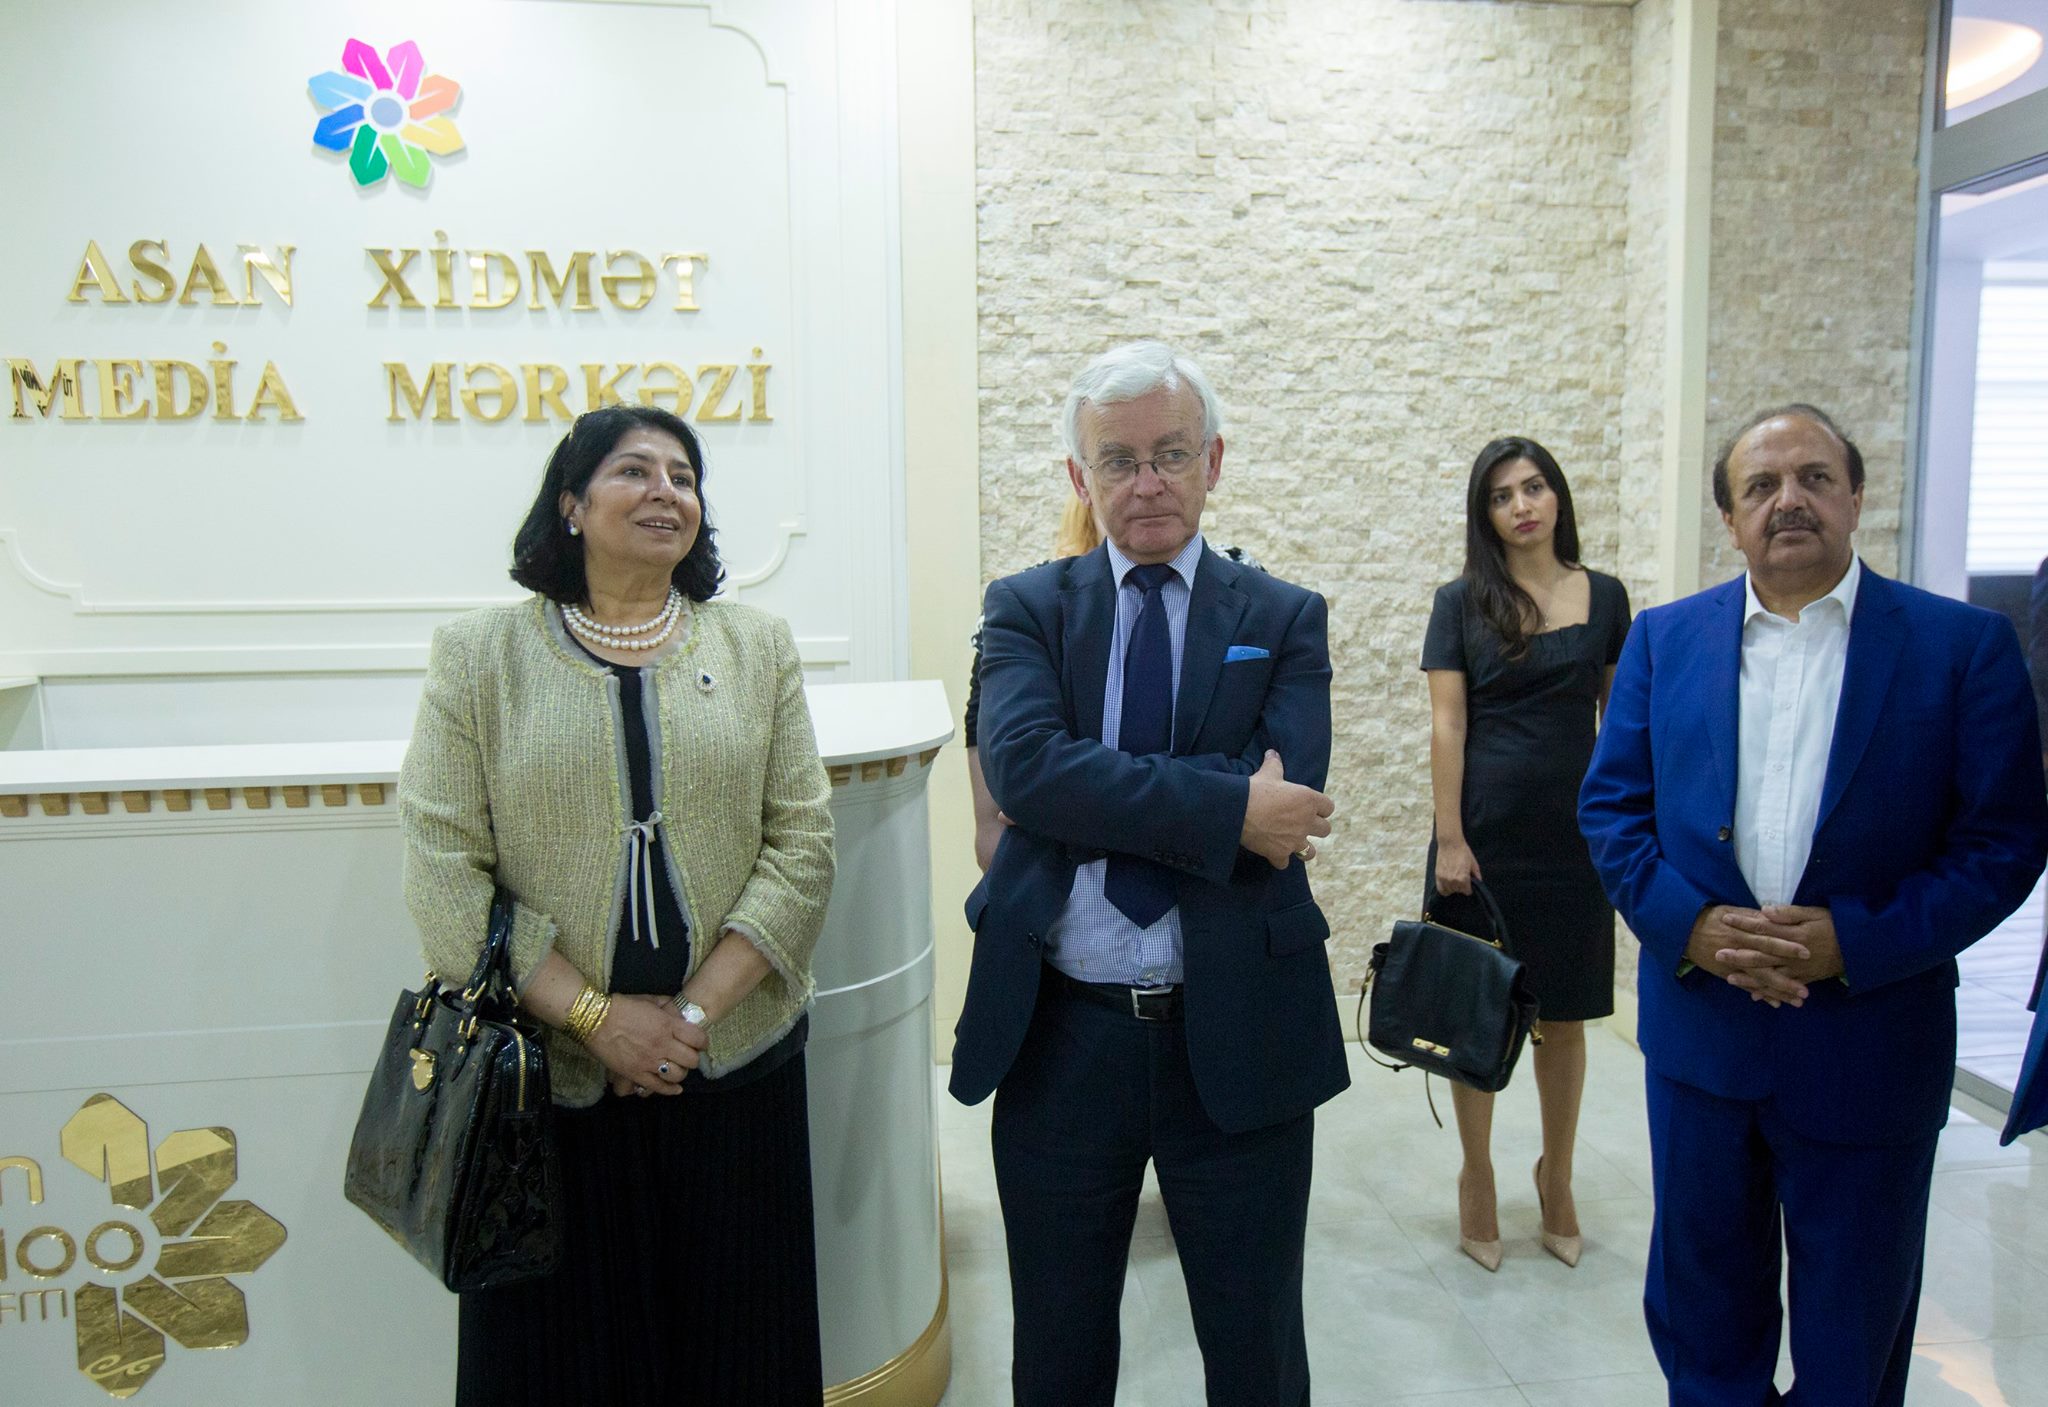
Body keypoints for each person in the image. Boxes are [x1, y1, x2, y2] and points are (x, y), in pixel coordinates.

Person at [1578, 404, 2048, 1406]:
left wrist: (1856, 941)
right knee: (1704, 1328)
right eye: (1760, 485)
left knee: (1853, 1342)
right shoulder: (1663, 641)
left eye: (1813, 477)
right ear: (1729, 518)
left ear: (1855, 497)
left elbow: (2003, 843)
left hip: (1869, 1047)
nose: (1787, 500)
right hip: (1703, 1047)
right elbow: (1611, 812)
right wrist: (1692, 927)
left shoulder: (1960, 647)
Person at [398, 403, 837, 1406]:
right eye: (633, 471)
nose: (664, 492)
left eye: (683, 476)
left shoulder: (758, 646)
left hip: (732, 1068)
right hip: (545, 1089)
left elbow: (803, 847)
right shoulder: (480, 657)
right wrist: (599, 1020)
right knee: (563, 1369)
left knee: (740, 1357)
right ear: (570, 503)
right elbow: (444, 872)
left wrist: (685, 1021)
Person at [950, 340, 1346, 1407]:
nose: (1147, 482)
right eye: (1117, 460)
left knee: (1257, 1353)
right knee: (1058, 1354)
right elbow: (1026, 771)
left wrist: (1094, 795)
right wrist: (1227, 805)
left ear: (1212, 460)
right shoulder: (1027, 606)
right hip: (1061, 1034)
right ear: (1080, 478)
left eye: (1170, 454)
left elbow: (1290, 802)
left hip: (1241, 1026)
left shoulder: (1283, 616)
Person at [1422, 436, 1631, 1273]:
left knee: (1565, 1015)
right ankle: (1476, 1173)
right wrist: (1450, 836)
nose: (1522, 505)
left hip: (1576, 838)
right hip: (1484, 836)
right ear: (1487, 515)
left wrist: (1628, 827)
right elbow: (1448, 722)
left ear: (1557, 496)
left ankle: (1558, 1176)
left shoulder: (1606, 596)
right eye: (1502, 495)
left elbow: (1621, 720)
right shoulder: (1459, 602)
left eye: (1534, 486)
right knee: (1480, 1009)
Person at [966, 497, 1102, 870]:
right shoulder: (1025, 601)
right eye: (1118, 470)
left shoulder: (1236, 578)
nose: (1146, 489)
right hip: (1054, 872)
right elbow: (1015, 769)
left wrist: (1053, 806)